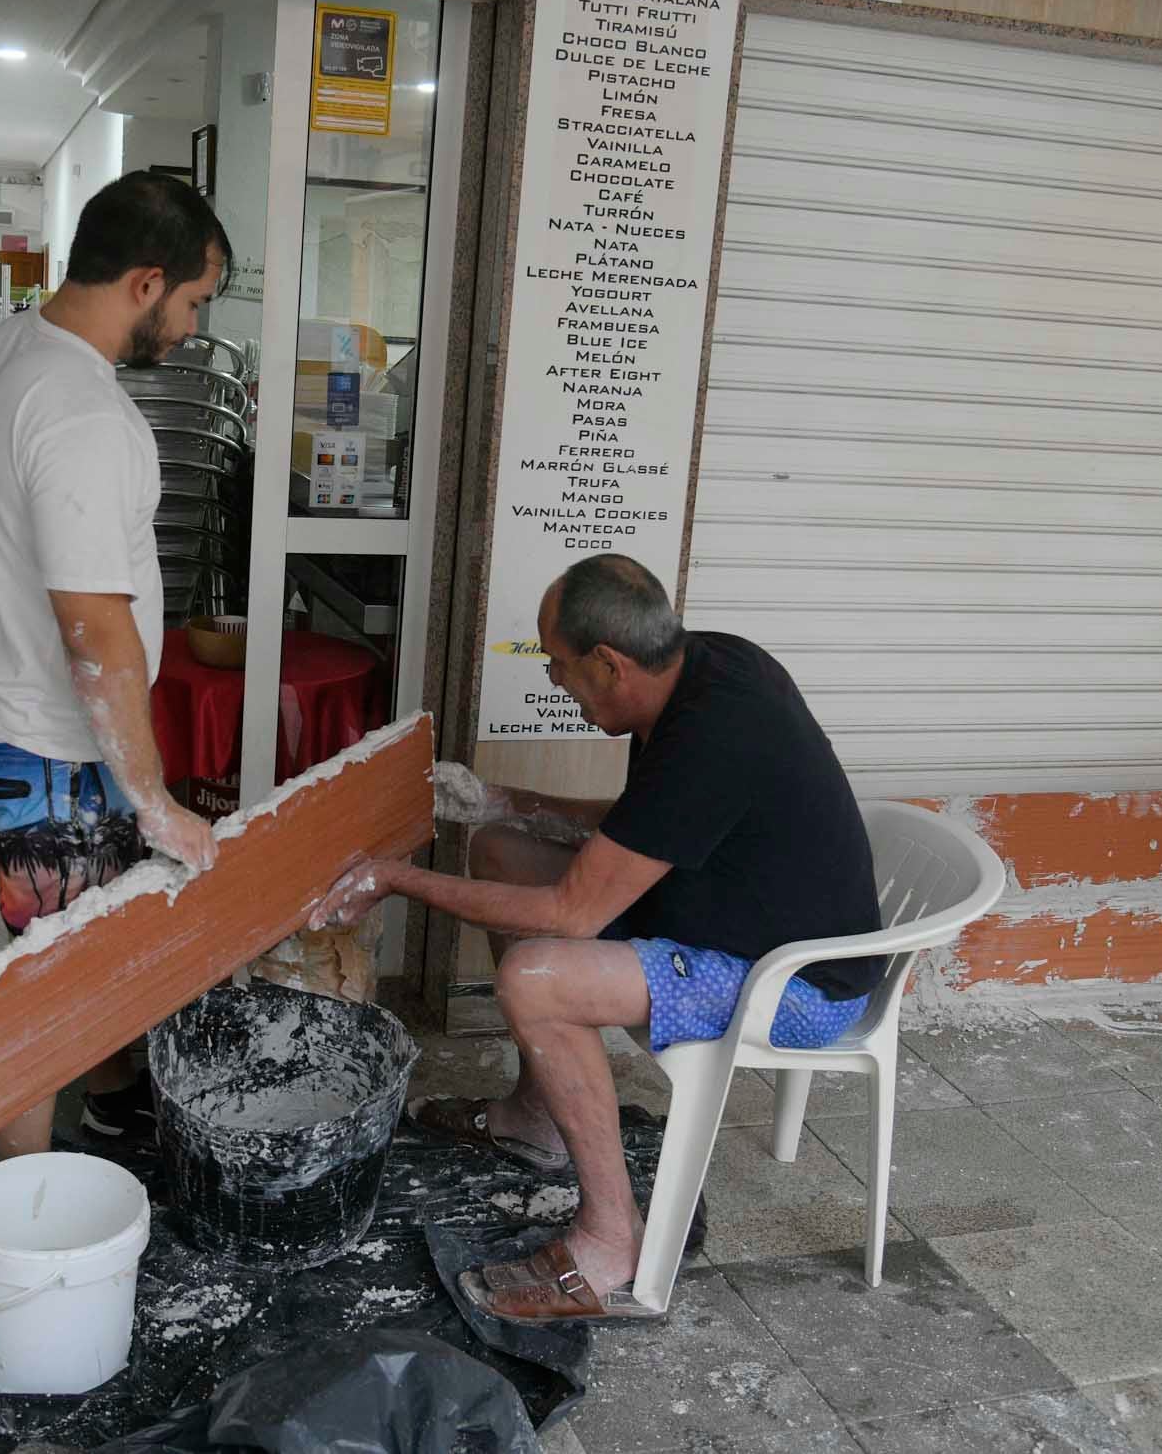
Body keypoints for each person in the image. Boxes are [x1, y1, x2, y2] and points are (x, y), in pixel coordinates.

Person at [310, 554, 882, 1322]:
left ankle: (614, 1241)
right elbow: (647, 818)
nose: (552, 680)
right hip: (725, 912)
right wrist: (505, 800)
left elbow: (570, 916)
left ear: (609, 663)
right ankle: (533, 1117)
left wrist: (393, 877)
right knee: (502, 851)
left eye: (557, 664)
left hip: (795, 982)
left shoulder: (719, 726)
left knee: (537, 980)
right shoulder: (696, 668)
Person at [0, 171, 229, 1160]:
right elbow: (95, 629)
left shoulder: (1, 351)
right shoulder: (83, 412)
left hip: (20, 722)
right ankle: (17, 1208)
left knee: (85, 942)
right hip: (58, 749)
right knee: (51, 987)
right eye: (194, 301)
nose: (192, 328)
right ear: (146, 282)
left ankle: (115, 1105)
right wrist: (151, 797)